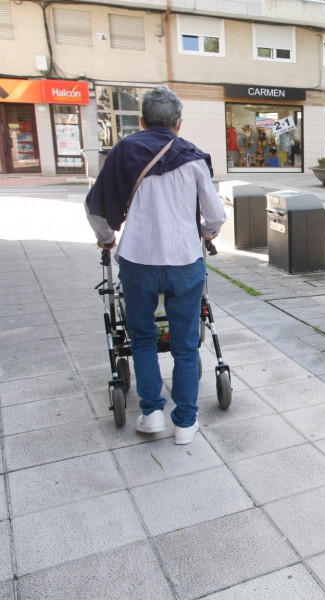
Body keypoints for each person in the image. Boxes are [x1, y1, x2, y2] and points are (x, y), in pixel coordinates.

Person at [85, 87, 226, 445]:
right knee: (185, 344)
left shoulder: (123, 151)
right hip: (184, 262)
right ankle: (185, 423)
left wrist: (107, 239)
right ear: (179, 123)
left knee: (143, 339)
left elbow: (96, 208)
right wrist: (207, 236)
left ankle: (151, 414)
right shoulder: (194, 157)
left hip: (139, 261)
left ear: (142, 120)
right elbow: (215, 216)